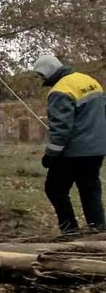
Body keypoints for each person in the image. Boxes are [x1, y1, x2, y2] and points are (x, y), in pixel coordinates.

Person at [32, 55, 106, 237]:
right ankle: (98, 231)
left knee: (55, 189)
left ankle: (70, 231)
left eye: (41, 76)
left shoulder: (60, 90)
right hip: (97, 149)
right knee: (89, 188)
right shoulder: (90, 81)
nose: (42, 80)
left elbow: (61, 128)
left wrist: (50, 155)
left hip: (73, 152)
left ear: (47, 72)